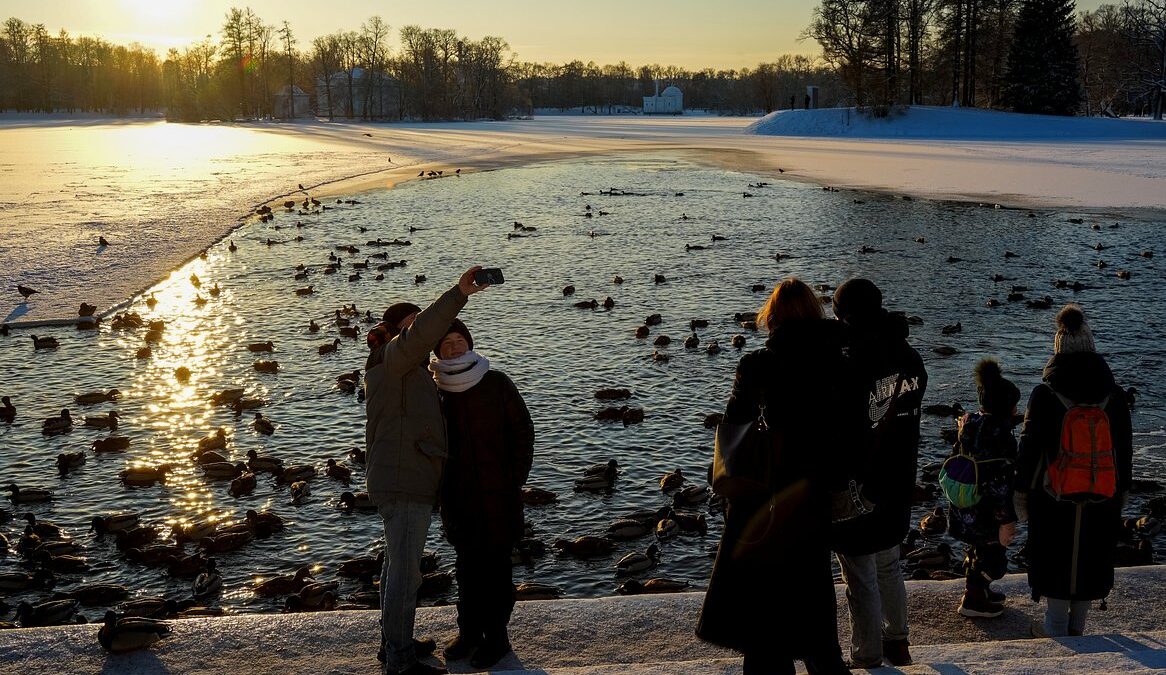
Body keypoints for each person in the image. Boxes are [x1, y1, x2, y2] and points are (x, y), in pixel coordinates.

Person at [697, 277, 850, 675]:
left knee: (763, 622)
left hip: (761, 499)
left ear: (772, 317)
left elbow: (734, 429)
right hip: (812, 498)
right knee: (813, 602)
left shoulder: (757, 365)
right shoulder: (838, 362)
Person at [365, 266, 489, 675]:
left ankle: (393, 643)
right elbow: (419, 335)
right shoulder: (394, 357)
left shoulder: (407, 368)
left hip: (407, 477)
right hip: (403, 480)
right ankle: (400, 660)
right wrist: (458, 294)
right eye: (413, 326)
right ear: (398, 330)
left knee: (396, 567)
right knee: (404, 574)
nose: (423, 334)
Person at [1013, 304, 1132, 637]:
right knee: (1089, 570)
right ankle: (1078, 637)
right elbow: (1123, 449)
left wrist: (1020, 493)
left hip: (1054, 499)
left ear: (1058, 347)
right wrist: (1123, 491)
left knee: (1056, 573)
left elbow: (1029, 449)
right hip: (1102, 495)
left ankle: (1055, 639)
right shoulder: (1115, 397)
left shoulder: (1045, 395)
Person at [829, 278, 927, 669]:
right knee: (888, 562)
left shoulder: (851, 360)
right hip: (900, 476)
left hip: (860, 482)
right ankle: (898, 641)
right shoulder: (910, 356)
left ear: (844, 313)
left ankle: (867, 654)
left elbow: (841, 425)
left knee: (859, 573)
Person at [429, 318, 534, 669]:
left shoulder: (495, 382)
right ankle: (469, 633)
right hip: (458, 497)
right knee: (467, 568)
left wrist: (514, 478)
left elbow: (523, 430)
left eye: (460, 340)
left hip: (498, 495)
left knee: (497, 570)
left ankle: (497, 638)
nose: (455, 347)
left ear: (470, 344)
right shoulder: (436, 390)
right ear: (438, 351)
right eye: (447, 343)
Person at [946, 359, 1021, 618]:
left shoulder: (970, 427)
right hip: (988, 513)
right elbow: (999, 486)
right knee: (995, 560)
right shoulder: (1001, 440)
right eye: (1014, 407)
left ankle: (979, 590)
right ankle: (974, 598)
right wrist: (1007, 522)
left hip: (965, 506)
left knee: (976, 549)